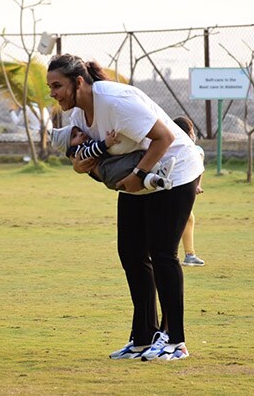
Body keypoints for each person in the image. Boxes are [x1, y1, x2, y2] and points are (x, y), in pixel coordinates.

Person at [47, 54, 204, 361]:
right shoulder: (79, 116)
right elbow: (94, 159)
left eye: (57, 85)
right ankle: (143, 338)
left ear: (78, 82)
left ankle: (176, 342)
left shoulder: (115, 102)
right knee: (131, 252)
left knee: (162, 254)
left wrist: (139, 176)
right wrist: (82, 168)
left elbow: (166, 136)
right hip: (140, 175)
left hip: (175, 170)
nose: (52, 93)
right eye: (50, 86)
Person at [50, 124, 176, 190]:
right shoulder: (76, 151)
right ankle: (159, 171)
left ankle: (158, 180)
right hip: (108, 171)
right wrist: (106, 143)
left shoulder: (83, 143)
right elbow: (90, 152)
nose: (80, 134)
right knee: (138, 159)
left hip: (110, 171)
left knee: (141, 177)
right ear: (67, 146)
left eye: (78, 131)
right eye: (74, 136)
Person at [173, 116, 205, 266]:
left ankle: (189, 254)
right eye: (192, 131)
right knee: (185, 218)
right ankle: (188, 254)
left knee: (186, 217)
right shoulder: (194, 149)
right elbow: (199, 167)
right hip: (179, 188)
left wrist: (197, 185)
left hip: (171, 187)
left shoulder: (168, 144)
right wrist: (197, 185)